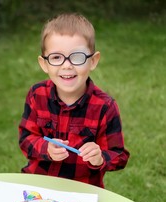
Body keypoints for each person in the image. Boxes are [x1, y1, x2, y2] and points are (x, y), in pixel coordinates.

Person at [18, 13, 130, 188]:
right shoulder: (37, 94)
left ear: (93, 61)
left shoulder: (105, 107)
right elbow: (25, 139)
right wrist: (45, 148)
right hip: (38, 183)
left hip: (81, 190)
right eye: (56, 57)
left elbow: (119, 156)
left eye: (77, 57)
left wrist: (100, 157)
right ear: (44, 64)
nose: (67, 65)